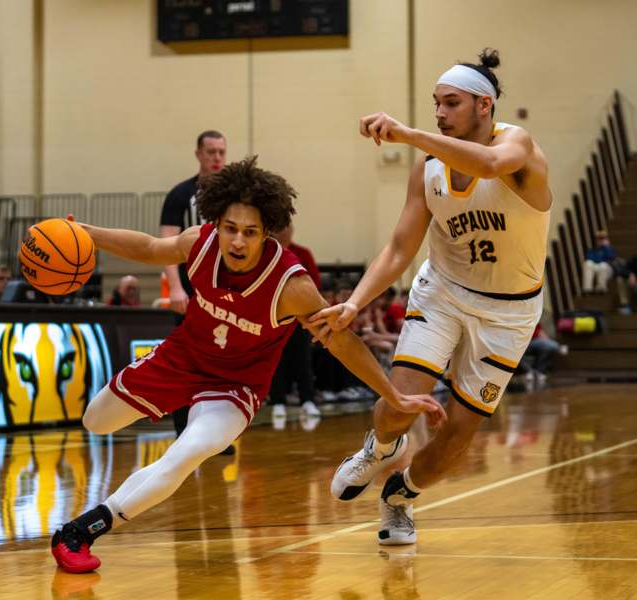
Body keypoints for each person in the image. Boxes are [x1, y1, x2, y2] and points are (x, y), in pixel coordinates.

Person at [50, 157, 444, 573]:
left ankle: (80, 532)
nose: (238, 242)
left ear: (267, 233)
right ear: (217, 223)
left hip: (235, 389)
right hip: (181, 359)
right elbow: (149, 248)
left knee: (186, 455)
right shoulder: (197, 244)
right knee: (96, 420)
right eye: (231, 229)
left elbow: (342, 343)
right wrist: (87, 235)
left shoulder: (291, 286)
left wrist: (394, 394)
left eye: (250, 233)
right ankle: (160, 411)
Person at [310, 48, 552, 546]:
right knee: (397, 402)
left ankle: (400, 496)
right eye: (435, 103)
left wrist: (407, 133)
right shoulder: (428, 169)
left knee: (459, 433)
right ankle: (378, 447)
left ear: (485, 106)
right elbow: (400, 246)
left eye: (452, 103)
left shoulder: (518, 147)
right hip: (442, 291)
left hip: (509, 312)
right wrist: (354, 304)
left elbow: (488, 165)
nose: (439, 113)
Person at [159, 130, 228, 439]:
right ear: (198, 154)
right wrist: (175, 288)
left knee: (222, 361)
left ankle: (215, 433)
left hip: (226, 293)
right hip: (190, 292)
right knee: (185, 359)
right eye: (211, 152)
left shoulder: (234, 195)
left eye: (221, 152)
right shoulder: (179, 195)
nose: (216, 158)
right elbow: (166, 244)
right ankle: (181, 430)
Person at [268, 224, 322, 421]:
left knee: (303, 361)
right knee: (276, 363)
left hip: (299, 320)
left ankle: (308, 400)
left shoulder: (303, 253)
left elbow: (314, 283)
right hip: (273, 320)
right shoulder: (266, 253)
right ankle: (278, 403)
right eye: (279, 227)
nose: (284, 231)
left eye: (287, 227)